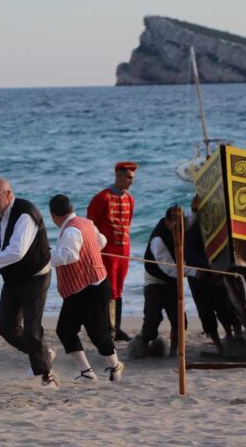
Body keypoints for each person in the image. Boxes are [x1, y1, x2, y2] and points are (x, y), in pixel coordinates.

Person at [0, 178, 59, 390]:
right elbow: (6, 247)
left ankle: (48, 376)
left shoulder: (25, 214)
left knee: (31, 331)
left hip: (35, 277)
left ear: (9, 193)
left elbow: (17, 251)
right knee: (5, 327)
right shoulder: (1, 214)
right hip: (13, 279)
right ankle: (43, 353)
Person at [47, 194, 125, 383]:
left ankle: (115, 365)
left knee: (98, 333)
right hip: (83, 288)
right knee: (65, 330)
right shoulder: (86, 223)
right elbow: (102, 241)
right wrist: (90, 250)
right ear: (71, 207)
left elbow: (70, 255)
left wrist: (45, 256)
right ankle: (87, 371)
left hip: (91, 288)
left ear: (52, 215)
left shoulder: (71, 231)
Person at [87, 162, 137, 341]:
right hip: (108, 251)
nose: (131, 181)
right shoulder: (103, 197)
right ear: (119, 176)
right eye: (129, 177)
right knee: (109, 289)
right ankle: (109, 328)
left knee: (120, 288)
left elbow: (128, 223)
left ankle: (117, 327)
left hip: (124, 250)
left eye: (132, 178)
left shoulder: (129, 199)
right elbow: (91, 224)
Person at [185, 195, 241, 354]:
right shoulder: (191, 231)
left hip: (216, 274)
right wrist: (210, 266)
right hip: (199, 277)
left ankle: (233, 337)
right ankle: (219, 346)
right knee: (206, 313)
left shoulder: (217, 229)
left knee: (225, 307)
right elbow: (189, 257)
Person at [129, 205, 184, 359]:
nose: (179, 226)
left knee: (179, 319)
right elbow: (169, 268)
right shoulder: (158, 239)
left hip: (172, 282)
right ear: (168, 221)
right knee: (152, 318)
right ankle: (142, 348)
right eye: (176, 222)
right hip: (155, 281)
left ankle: (174, 352)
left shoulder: (180, 230)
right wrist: (193, 272)